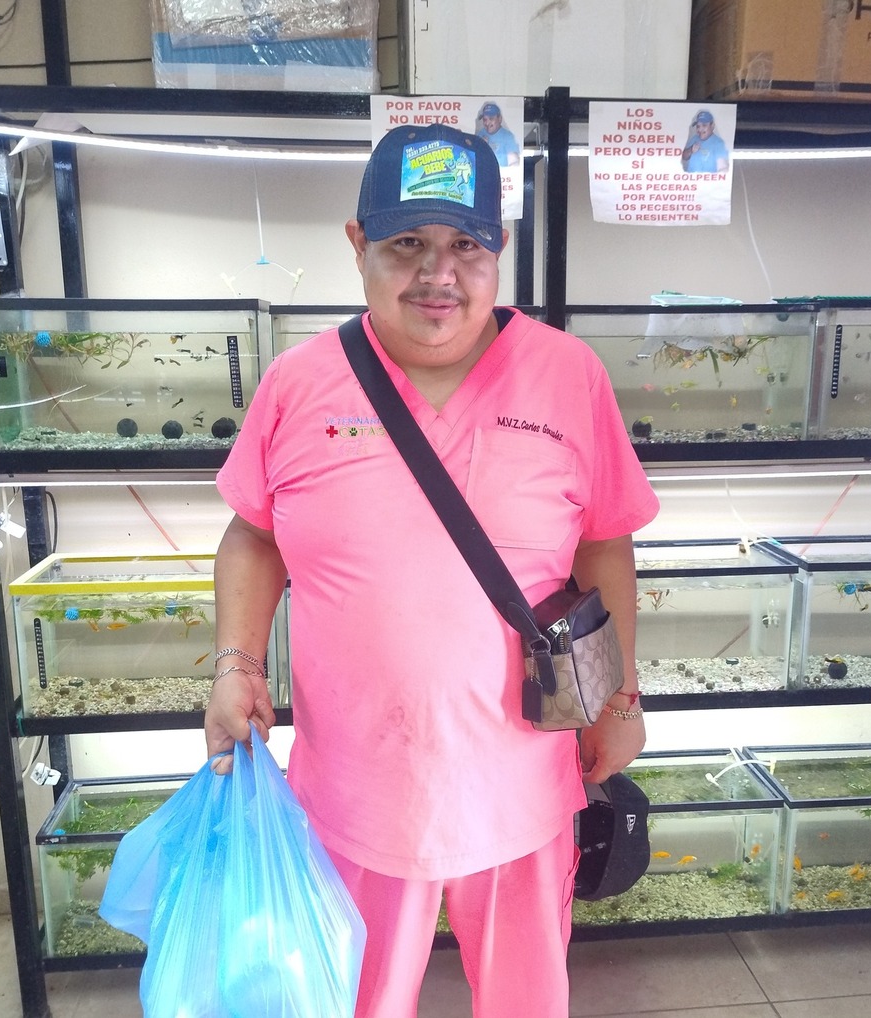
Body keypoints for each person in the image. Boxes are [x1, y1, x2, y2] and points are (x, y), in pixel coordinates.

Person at [205, 123, 659, 1018]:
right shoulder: (299, 384)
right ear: (358, 244)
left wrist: (619, 699)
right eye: (407, 242)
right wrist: (236, 666)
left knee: (527, 1003)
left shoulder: (568, 376)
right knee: (355, 1002)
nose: (437, 274)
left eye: (466, 246)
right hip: (352, 794)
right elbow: (253, 537)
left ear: (500, 249)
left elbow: (604, 541)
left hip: (521, 787)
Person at [475, 100, 520, 167]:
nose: (487, 123)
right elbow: (475, 161)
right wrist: (482, 147)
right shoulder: (480, 134)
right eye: (485, 119)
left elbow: (514, 162)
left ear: (499, 119)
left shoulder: (508, 136)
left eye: (491, 118)